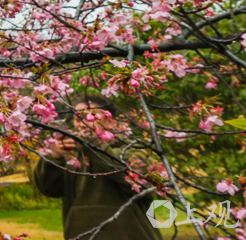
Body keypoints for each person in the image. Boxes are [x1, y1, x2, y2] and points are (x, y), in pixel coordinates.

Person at [33, 95, 163, 240]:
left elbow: (141, 184)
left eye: (90, 117)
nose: (82, 124)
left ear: (110, 122)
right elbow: (48, 189)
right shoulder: (72, 157)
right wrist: (54, 158)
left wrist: (92, 143)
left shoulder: (133, 151)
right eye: (78, 119)